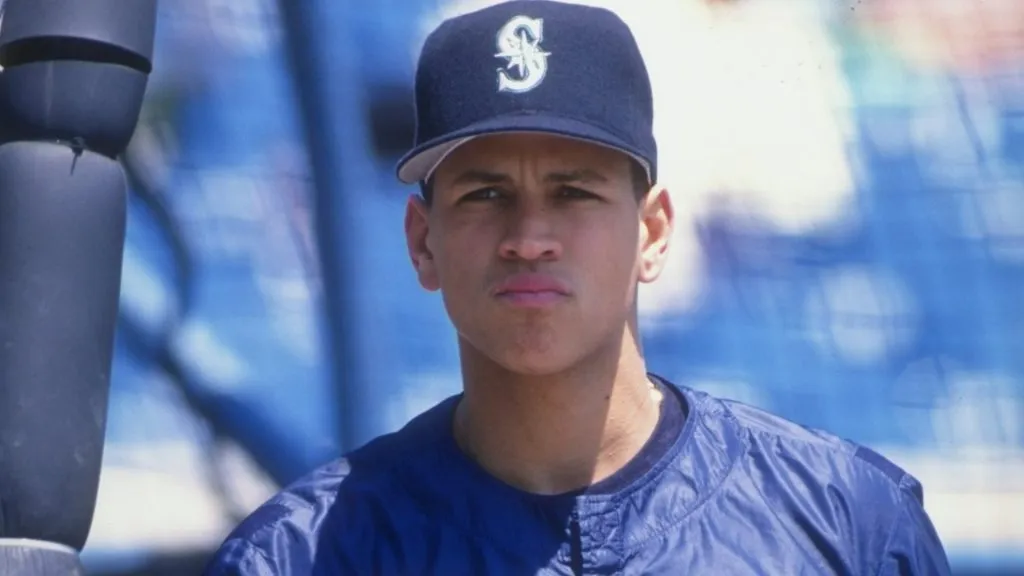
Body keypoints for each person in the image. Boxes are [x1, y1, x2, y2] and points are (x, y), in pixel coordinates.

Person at [203, 1, 952, 574]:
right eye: (486, 195)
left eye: (574, 192)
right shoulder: (301, 555)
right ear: (422, 242)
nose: (529, 237)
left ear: (653, 233)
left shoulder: (848, 524)